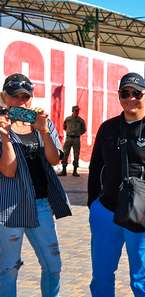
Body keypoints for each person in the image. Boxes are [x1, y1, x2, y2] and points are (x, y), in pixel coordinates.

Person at [87, 72, 145, 297]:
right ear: (119, 96)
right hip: (106, 212)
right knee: (101, 277)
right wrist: (93, 205)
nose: (131, 98)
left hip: (142, 215)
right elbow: (96, 167)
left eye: (136, 93)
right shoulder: (108, 128)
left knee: (142, 279)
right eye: (125, 93)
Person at [0, 73, 72, 297]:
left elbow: (54, 160)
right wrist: (5, 138)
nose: (21, 102)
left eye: (25, 97)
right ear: (4, 97)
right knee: (8, 269)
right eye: (15, 97)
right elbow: (8, 170)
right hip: (9, 206)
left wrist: (43, 130)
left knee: (53, 266)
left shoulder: (42, 122)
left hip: (41, 205)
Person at [58, 105, 86, 177]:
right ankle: (64, 170)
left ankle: (75, 171)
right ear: (73, 111)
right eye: (76, 111)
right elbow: (64, 127)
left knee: (76, 155)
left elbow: (84, 129)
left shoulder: (80, 120)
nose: (77, 112)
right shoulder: (68, 119)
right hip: (68, 138)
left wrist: (78, 133)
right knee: (65, 154)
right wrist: (69, 132)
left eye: (78, 111)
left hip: (76, 139)